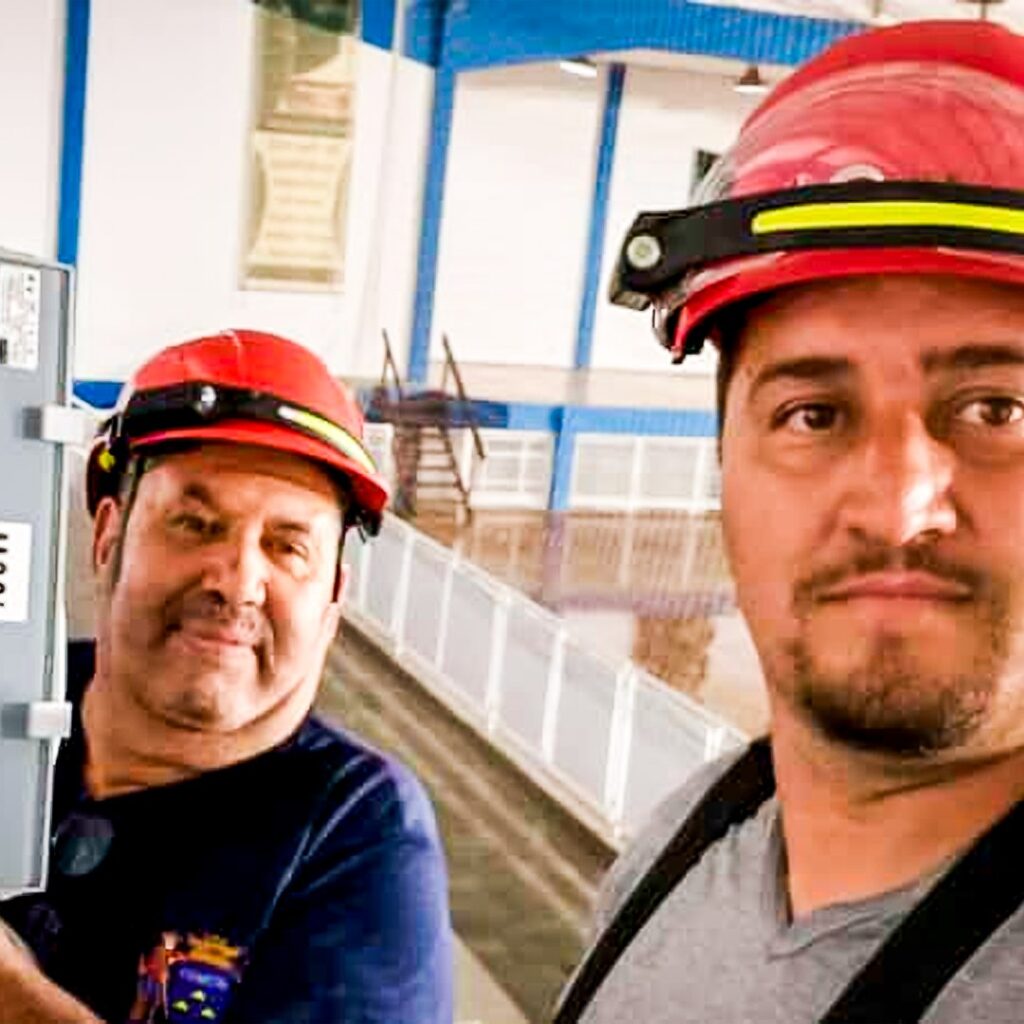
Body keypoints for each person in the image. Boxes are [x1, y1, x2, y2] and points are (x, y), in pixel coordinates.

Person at [556, 19, 1024, 1024]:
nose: (897, 505)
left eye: (997, 410)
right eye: (812, 414)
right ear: (725, 462)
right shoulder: (674, 853)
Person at [0, 329, 453, 1023]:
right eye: (195, 523)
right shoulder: (17, 697)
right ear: (108, 536)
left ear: (333, 598)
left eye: (287, 547)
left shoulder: (357, 833)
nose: (238, 581)